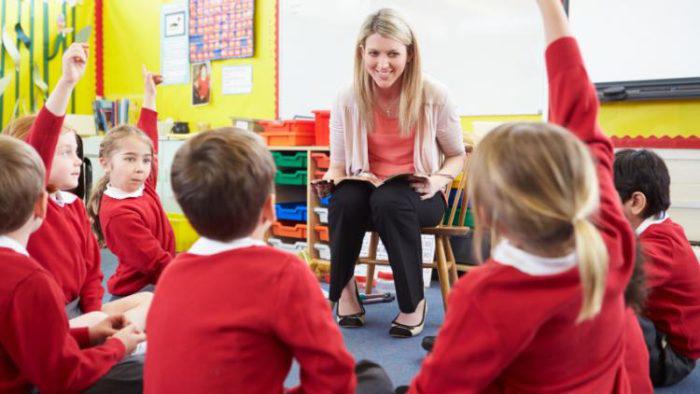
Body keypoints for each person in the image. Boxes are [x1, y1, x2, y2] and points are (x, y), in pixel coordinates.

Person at [407, 0, 636, 391]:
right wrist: (550, 6)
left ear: (489, 215)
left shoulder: (486, 296)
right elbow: (576, 96)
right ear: (577, 179)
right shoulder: (611, 238)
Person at [145, 128, 356, 393]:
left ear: (186, 211)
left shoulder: (172, 274)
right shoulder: (284, 272)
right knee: (369, 376)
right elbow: (334, 379)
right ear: (270, 208)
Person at [322, 8, 465, 338]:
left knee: (390, 199)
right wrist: (331, 178)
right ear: (362, 53)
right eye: (374, 53)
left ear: (410, 54)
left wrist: (438, 180)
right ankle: (346, 293)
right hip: (368, 188)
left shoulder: (434, 95)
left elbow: (457, 156)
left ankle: (413, 304)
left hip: (421, 194)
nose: (382, 64)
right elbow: (340, 164)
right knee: (343, 199)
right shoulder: (347, 97)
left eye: (393, 54)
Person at [3, 43, 152, 329]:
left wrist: (95, 318)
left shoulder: (72, 205)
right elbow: (41, 144)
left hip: (80, 312)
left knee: (148, 301)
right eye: (65, 152)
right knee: (141, 353)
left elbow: (92, 272)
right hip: (48, 320)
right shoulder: (30, 205)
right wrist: (67, 82)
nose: (76, 161)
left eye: (76, 151)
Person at [0, 134, 145, 393]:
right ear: (42, 205)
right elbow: (62, 375)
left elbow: (30, 342)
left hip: (52, 349)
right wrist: (118, 346)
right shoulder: (28, 279)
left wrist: (87, 334)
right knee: (145, 368)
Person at [87, 66, 176, 300]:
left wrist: (150, 95)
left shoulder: (141, 185)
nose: (140, 167)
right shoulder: (119, 214)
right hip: (138, 291)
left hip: (157, 278)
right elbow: (155, 261)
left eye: (146, 160)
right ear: (105, 163)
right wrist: (191, 275)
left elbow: (148, 136)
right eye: (129, 159)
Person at [614, 148, 700, 386]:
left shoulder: (659, 248)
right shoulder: (661, 228)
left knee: (609, 310)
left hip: (672, 356)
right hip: (662, 333)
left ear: (636, 202)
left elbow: (612, 283)